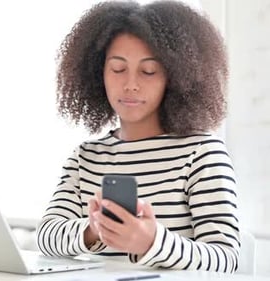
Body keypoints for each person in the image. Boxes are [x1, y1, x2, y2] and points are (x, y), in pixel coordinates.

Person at [36, 0, 240, 273]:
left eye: (149, 71)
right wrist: (93, 230)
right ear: (99, 73)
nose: (130, 84)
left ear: (176, 77)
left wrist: (151, 242)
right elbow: (46, 235)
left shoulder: (202, 152)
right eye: (118, 69)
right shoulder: (86, 158)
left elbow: (227, 258)